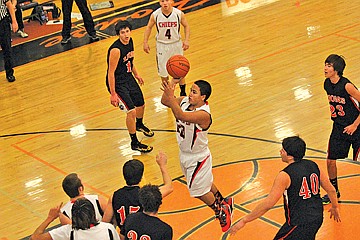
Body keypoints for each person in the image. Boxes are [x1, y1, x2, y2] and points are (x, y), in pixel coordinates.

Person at [230, 136, 341, 239]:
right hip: (317, 217)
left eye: (282, 150)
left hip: (299, 222)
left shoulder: (285, 175)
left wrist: (245, 220)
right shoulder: (313, 165)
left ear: (290, 156)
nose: (280, 152)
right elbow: (331, 189)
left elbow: (268, 204)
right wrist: (335, 206)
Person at [161, 79, 233, 232]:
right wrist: (171, 86)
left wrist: (171, 96)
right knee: (204, 183)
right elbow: (164, 101)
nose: (190, 94)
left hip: (198, 157)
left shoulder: (204, 115)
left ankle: (220, 211)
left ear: (203, 97)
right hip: (184, 154)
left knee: (198, 191)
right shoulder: (184, 101)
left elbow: (181, 116)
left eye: (194, 92)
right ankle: (224, 201)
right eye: (190, 90)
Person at [106, 20, 154, 153]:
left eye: (127, 31)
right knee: (131, 111)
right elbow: (111, 73)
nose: (126, 35)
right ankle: (134, 142)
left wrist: (137, 75)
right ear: (118, 34)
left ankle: (139, 124)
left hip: (129, 78)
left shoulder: (130, 41)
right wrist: (113, 93)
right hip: (118, 83)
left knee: (141, 105)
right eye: (122, 33)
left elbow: (130, 61)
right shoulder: (116, 50)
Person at [102, 151, 173, 239]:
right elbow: (169, 187)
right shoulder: (147, 195)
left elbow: (105, 223)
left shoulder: (115, 195)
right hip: (146, 231)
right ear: (142, 177)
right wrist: (162, 165)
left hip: (127, 234)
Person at [322, 54, 360, 204]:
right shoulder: (326, 84)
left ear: (336, 69)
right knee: (330, 160)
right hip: (339, 127)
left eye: (329, 65)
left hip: (356, 127)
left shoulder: (347, 86)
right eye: (325, 64)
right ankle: (334, 191)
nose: (325, 68)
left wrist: (355, 125)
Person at [143, 0, 190, 97]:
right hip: (162, 46)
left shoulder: (178, 13)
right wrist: (145, 42)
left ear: (171, 1)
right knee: (163, 73)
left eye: (167, 0)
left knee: (180, 68)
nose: (165, 3)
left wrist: (186, 40)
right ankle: (169, 94)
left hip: (176, 44)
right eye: (162, 1)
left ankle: (183, 92)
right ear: (159, 3)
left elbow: (186, 26)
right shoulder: (155, 15)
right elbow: (148, 27)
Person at [30, 198, 120, 240]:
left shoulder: (68, 231)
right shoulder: (108, 228)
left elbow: (35, 237)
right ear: (93, 213)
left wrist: (50, 218)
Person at [0, 0, 18, 82]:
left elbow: (9, 5)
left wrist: (14, 21)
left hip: (2, 22)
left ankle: (9, 73)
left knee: (7, 49)